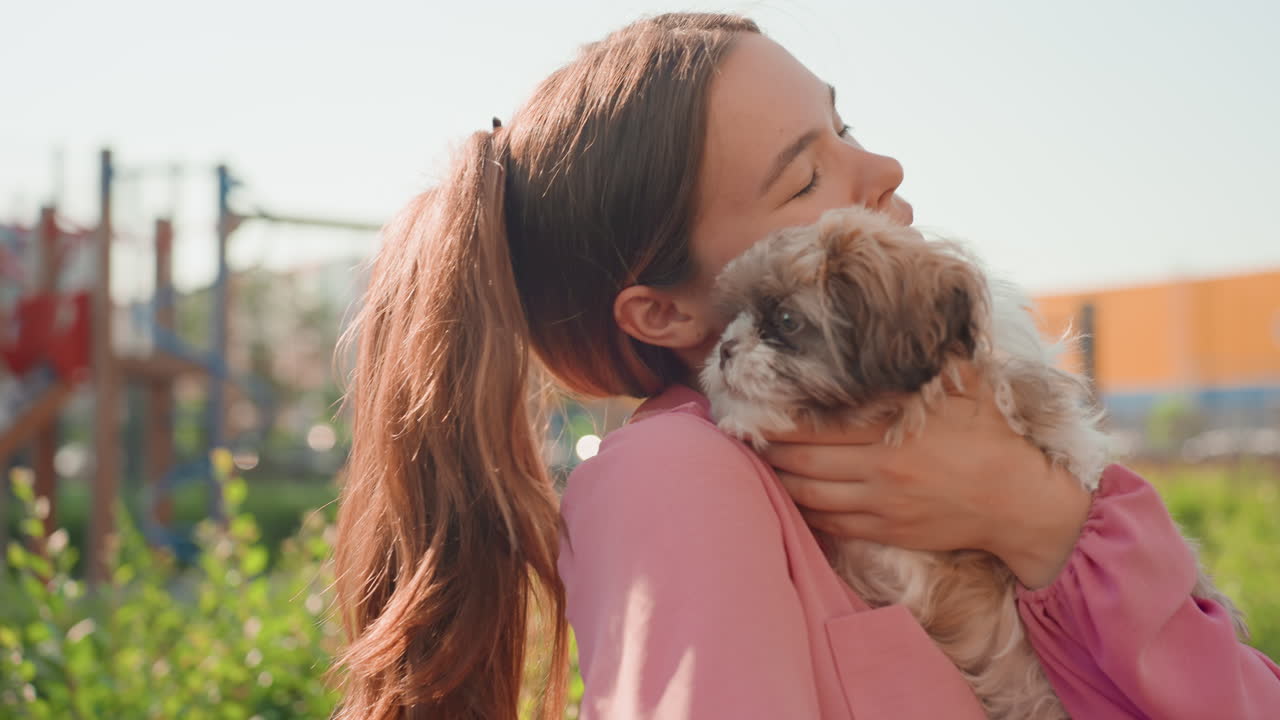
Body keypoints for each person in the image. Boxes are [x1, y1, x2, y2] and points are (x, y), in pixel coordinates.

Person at [332, 12, 1280, 720]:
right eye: (806, 175)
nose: (887, 168)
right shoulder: (681, 475)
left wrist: (1033, 516)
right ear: (663, 309)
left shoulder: (1008, 447)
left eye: (849, 126)